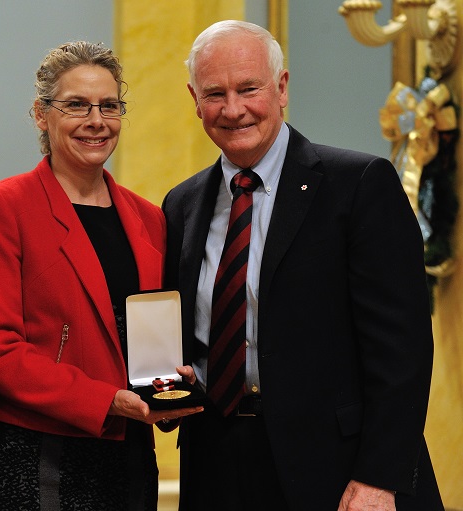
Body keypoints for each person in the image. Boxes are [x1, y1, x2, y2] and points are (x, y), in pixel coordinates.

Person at [162, 20, 444, 511]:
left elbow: (403, 351)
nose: (233, 109)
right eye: (215, 93)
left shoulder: (359, 186)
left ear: (282, 87)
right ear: (193, 98)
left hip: (339, 471)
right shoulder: (181, 204)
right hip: (215, 468)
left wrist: (379, 477)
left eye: (249, 88)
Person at [0, 41, 202, 510]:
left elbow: (149, 342)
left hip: (130, 449)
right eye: (76, 105)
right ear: (41, 114)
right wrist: (106, 400)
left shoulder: (149, 218)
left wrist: (171, 392)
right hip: (35, 448)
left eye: (109, 106)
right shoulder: (3, 206)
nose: (96, 121)